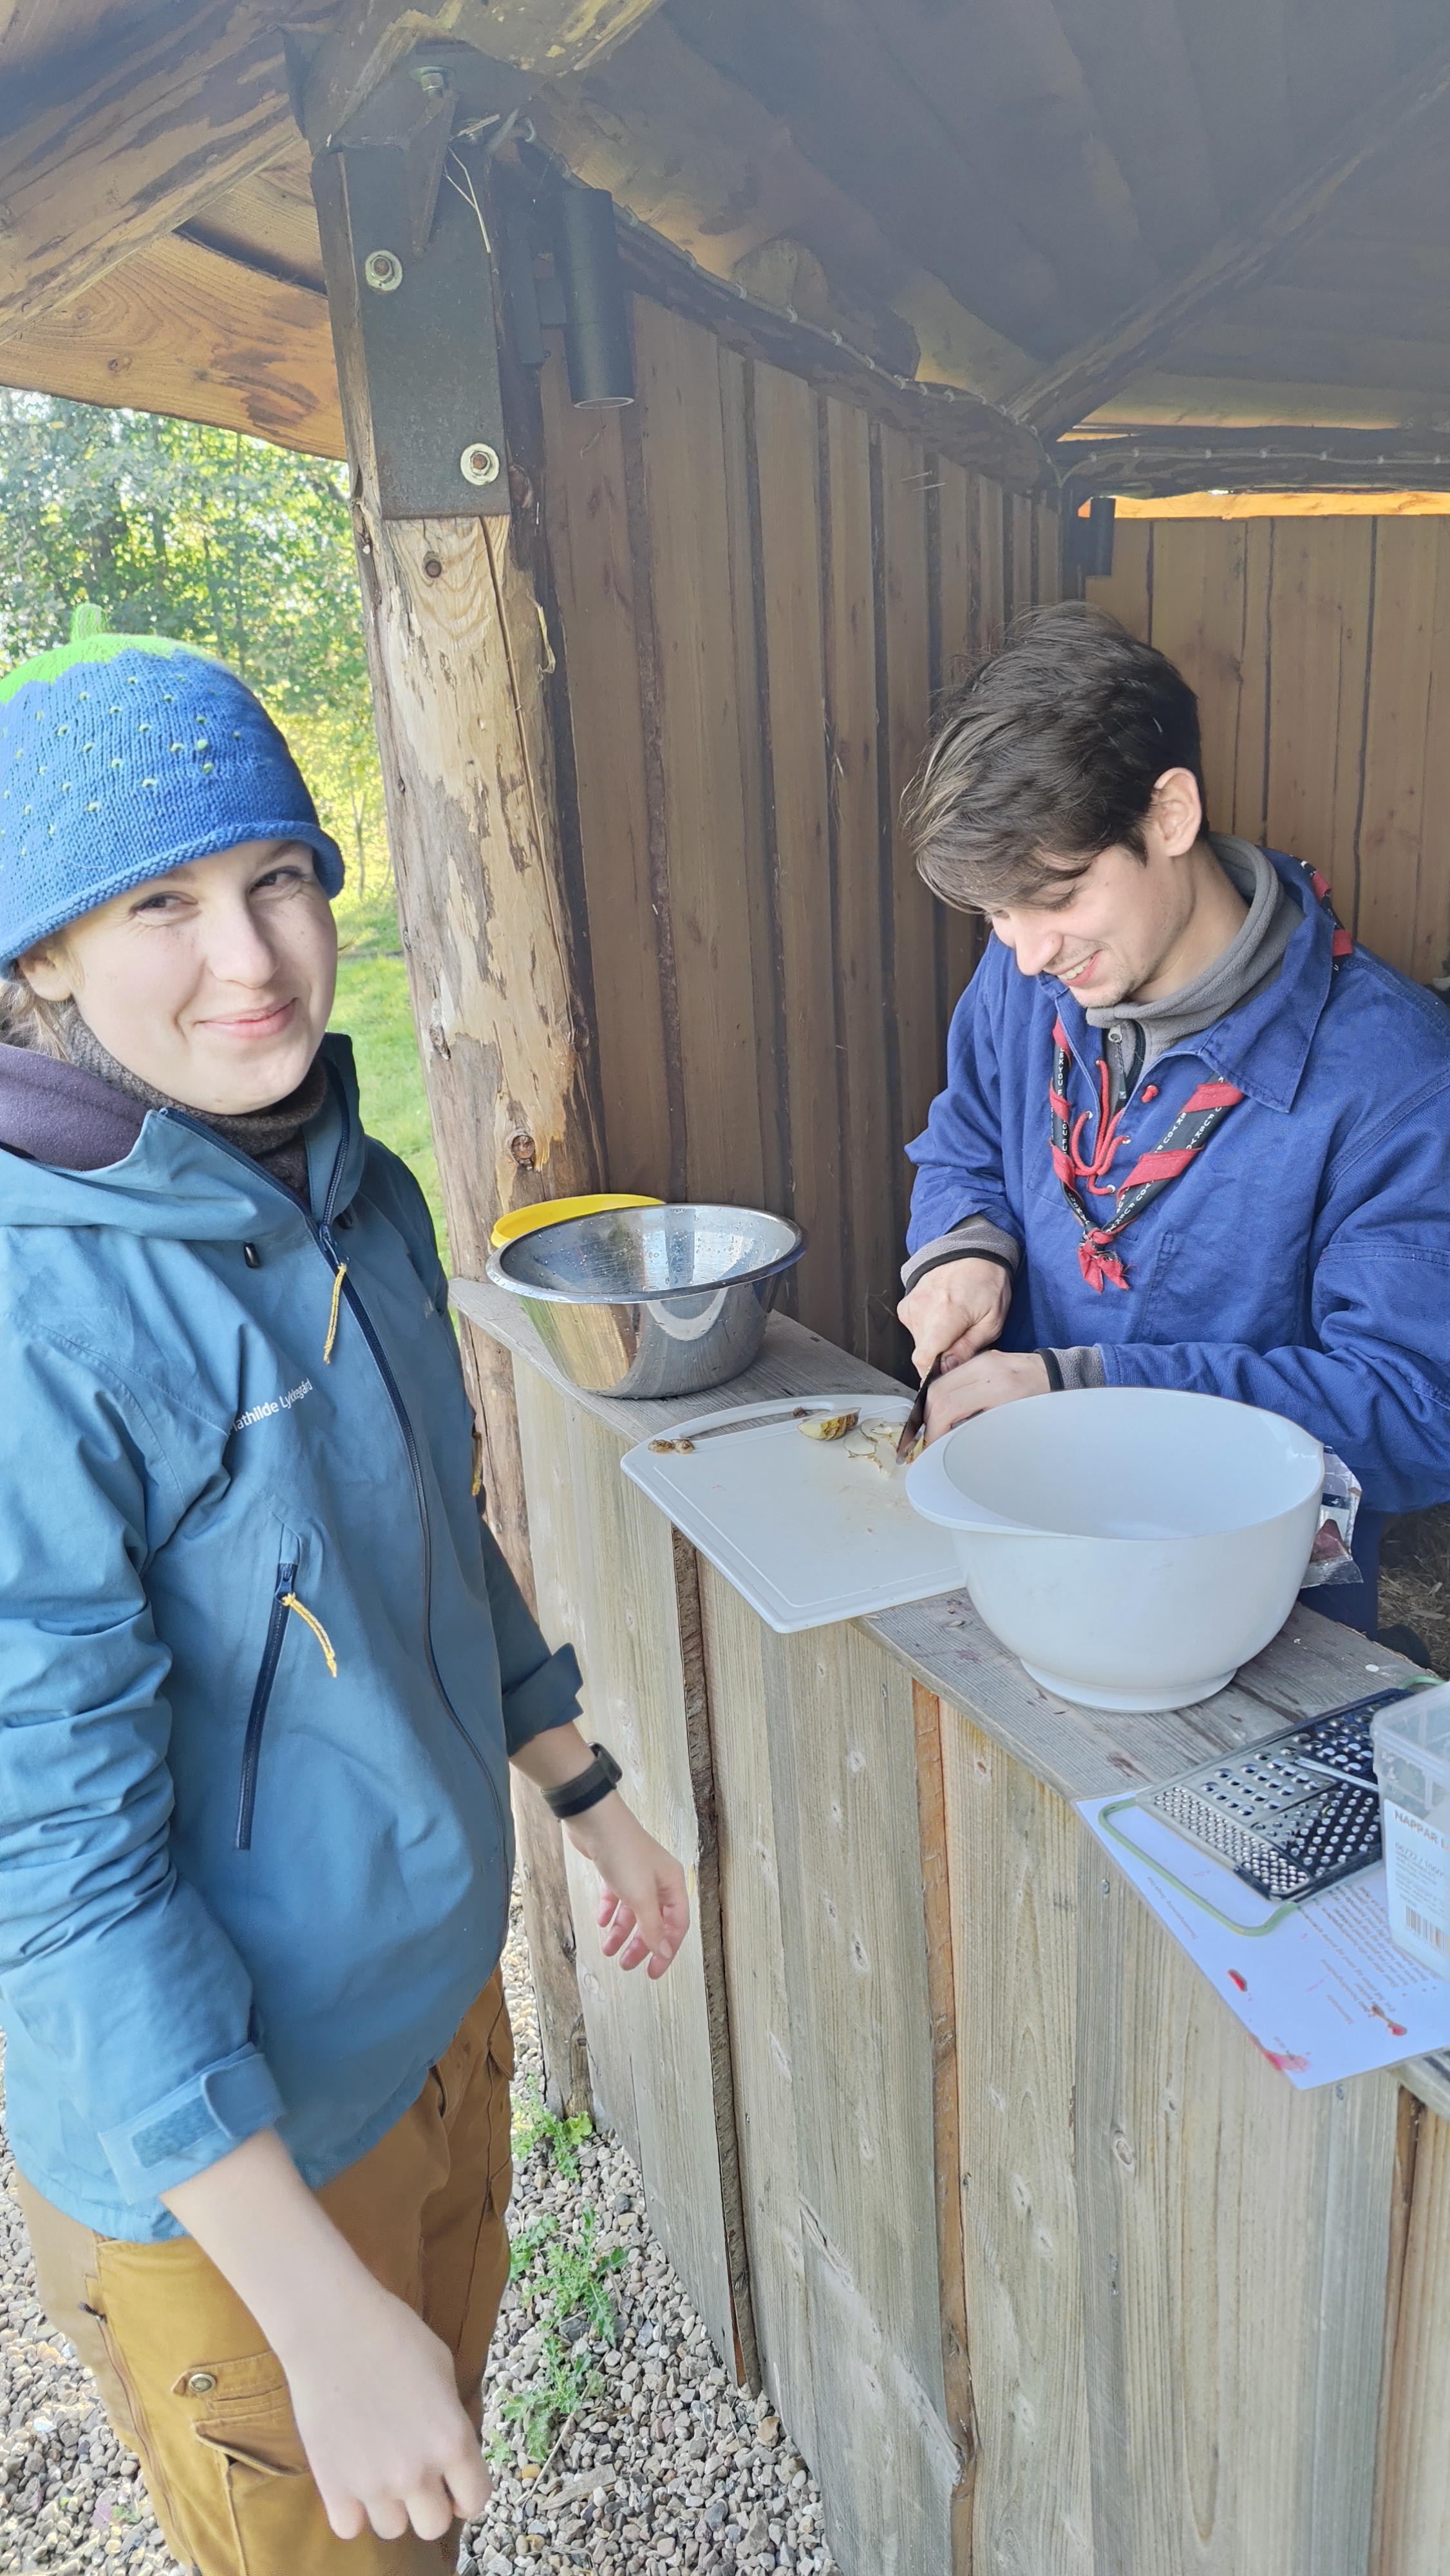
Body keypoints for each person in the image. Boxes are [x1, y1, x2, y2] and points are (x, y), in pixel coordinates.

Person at [0, 605, 690, 2572]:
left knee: (425, 2519)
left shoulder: (341, 1185)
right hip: (234, 2160)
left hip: (432, 2020)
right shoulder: (33, 1320)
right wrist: (309, 2308)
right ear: (39, 962)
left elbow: (421, 1539)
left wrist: (578, 1782)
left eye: (278, 878)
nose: (252, 958)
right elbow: (51, 1872)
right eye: (160, 904)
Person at [897, 602, 1450, 1630]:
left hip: (1251, 1616)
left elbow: (1417, 1411)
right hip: (1021, 1549)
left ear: (1170, 815)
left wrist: (1086, 1391)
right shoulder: (1028, 972)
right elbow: (966, 1139)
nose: (1027, 951)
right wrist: (963, 1250)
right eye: (995, 914)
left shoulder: (1399, 1082)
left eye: (1057, 895)